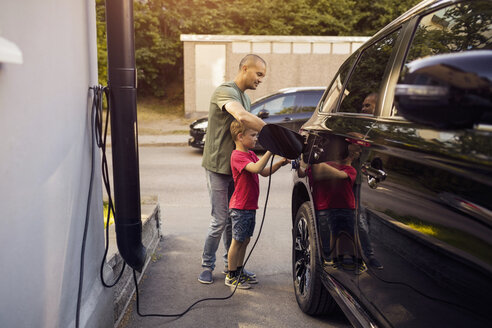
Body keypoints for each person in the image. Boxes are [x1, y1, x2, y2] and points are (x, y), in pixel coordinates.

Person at [198, 54, 267, 284]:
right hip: (218, 167)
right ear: (245, 68)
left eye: (262, 76)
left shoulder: (246, 99)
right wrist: (275, 134)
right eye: (258, 74)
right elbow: (240, 115)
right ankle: (207, 266)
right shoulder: (225, 91)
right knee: (219, 220)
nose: (260, 80)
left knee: (232, 220)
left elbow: (247, 131)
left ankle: (232, 268)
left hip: (236, 169)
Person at [226, 120, 289, 289]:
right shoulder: (237, 156)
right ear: (240, 136)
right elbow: (255, 168)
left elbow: (264, 172)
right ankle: (231, 275)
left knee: (245, 240)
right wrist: (270, 151)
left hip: (250, 206)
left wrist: (279, 163)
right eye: (253, 135)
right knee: (237, 241)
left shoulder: (251, 154)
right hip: (240, 207)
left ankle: (239, 269)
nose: (256, 139)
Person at [300, 141, 367, 274]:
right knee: (332, 234)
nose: (359, 153)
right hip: (325, 208)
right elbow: (304, 173)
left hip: (347, 208)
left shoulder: (350, 170)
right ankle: (333, 260)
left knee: (352, 235)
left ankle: (359, 260)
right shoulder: (329, 166)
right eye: (357, 151)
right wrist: (302, 161)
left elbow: (339, 176)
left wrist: (316, 164)